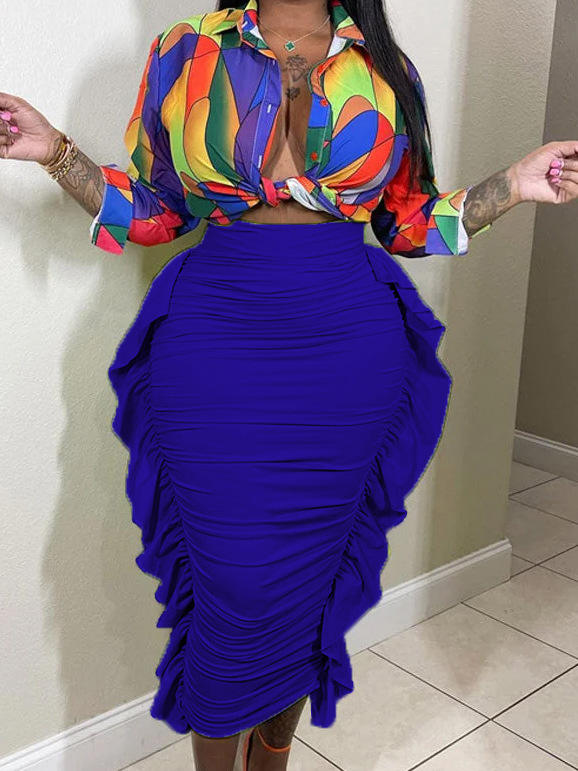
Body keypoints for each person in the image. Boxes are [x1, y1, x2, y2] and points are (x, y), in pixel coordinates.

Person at [1, 0, 576, 768]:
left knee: (306, 587)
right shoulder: (185, 50)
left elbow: (406, 224)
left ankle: (272, 755)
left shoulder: (386, 67)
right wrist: (55, 151)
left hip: (347, 356)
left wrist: (514, 184)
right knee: (230, 590)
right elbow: (154, 212)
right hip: (214, 345)